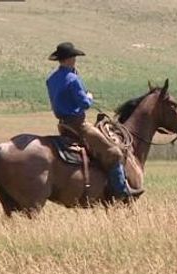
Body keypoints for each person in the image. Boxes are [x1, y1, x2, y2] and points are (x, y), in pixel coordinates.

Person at [46, 42, 143, 198]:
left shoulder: (51, 78)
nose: (75, 60)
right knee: (114, 152)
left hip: (63, 124)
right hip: (79, 125)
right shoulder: (72, 79)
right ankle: (122, 191)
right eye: (74, 57)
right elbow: (84, 103)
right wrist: (89, 97)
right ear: (71, 58)